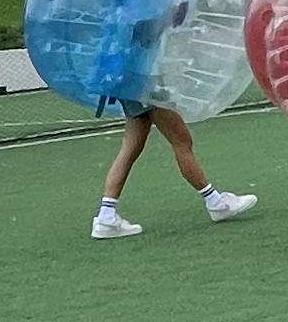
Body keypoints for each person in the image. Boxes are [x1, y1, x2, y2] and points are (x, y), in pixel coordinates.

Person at [92, 101, 258, 237]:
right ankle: (217, 204)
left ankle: (106, 216)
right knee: (181, 141)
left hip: (129, 85)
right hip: (145, 85)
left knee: (131, 146)